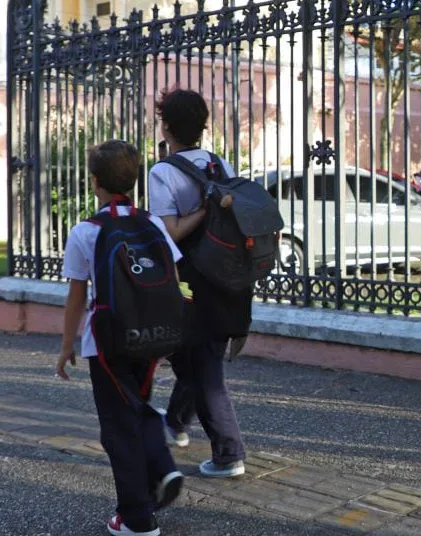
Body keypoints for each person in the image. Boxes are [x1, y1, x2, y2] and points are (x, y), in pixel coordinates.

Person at [56, 140, 185, 536]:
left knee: (118, 425)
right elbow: (172, 280)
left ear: (94, 181)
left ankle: (136, 518)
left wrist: (66, 347)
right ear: (132, 179)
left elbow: (77, 295)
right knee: (139, 405)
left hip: (107, 341)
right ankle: (160, 472)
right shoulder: (154, 224)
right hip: (151, 336)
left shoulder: (86, 232)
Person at [148, 89, 249, 479]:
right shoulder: (219, 164)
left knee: (202, 365)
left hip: (191, 279)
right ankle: (174, 423)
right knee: (195, 355)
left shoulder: (163, 172)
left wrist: (201, 212)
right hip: (228, 276)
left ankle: (228, 453)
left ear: (167, 126)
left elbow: (168, 233)